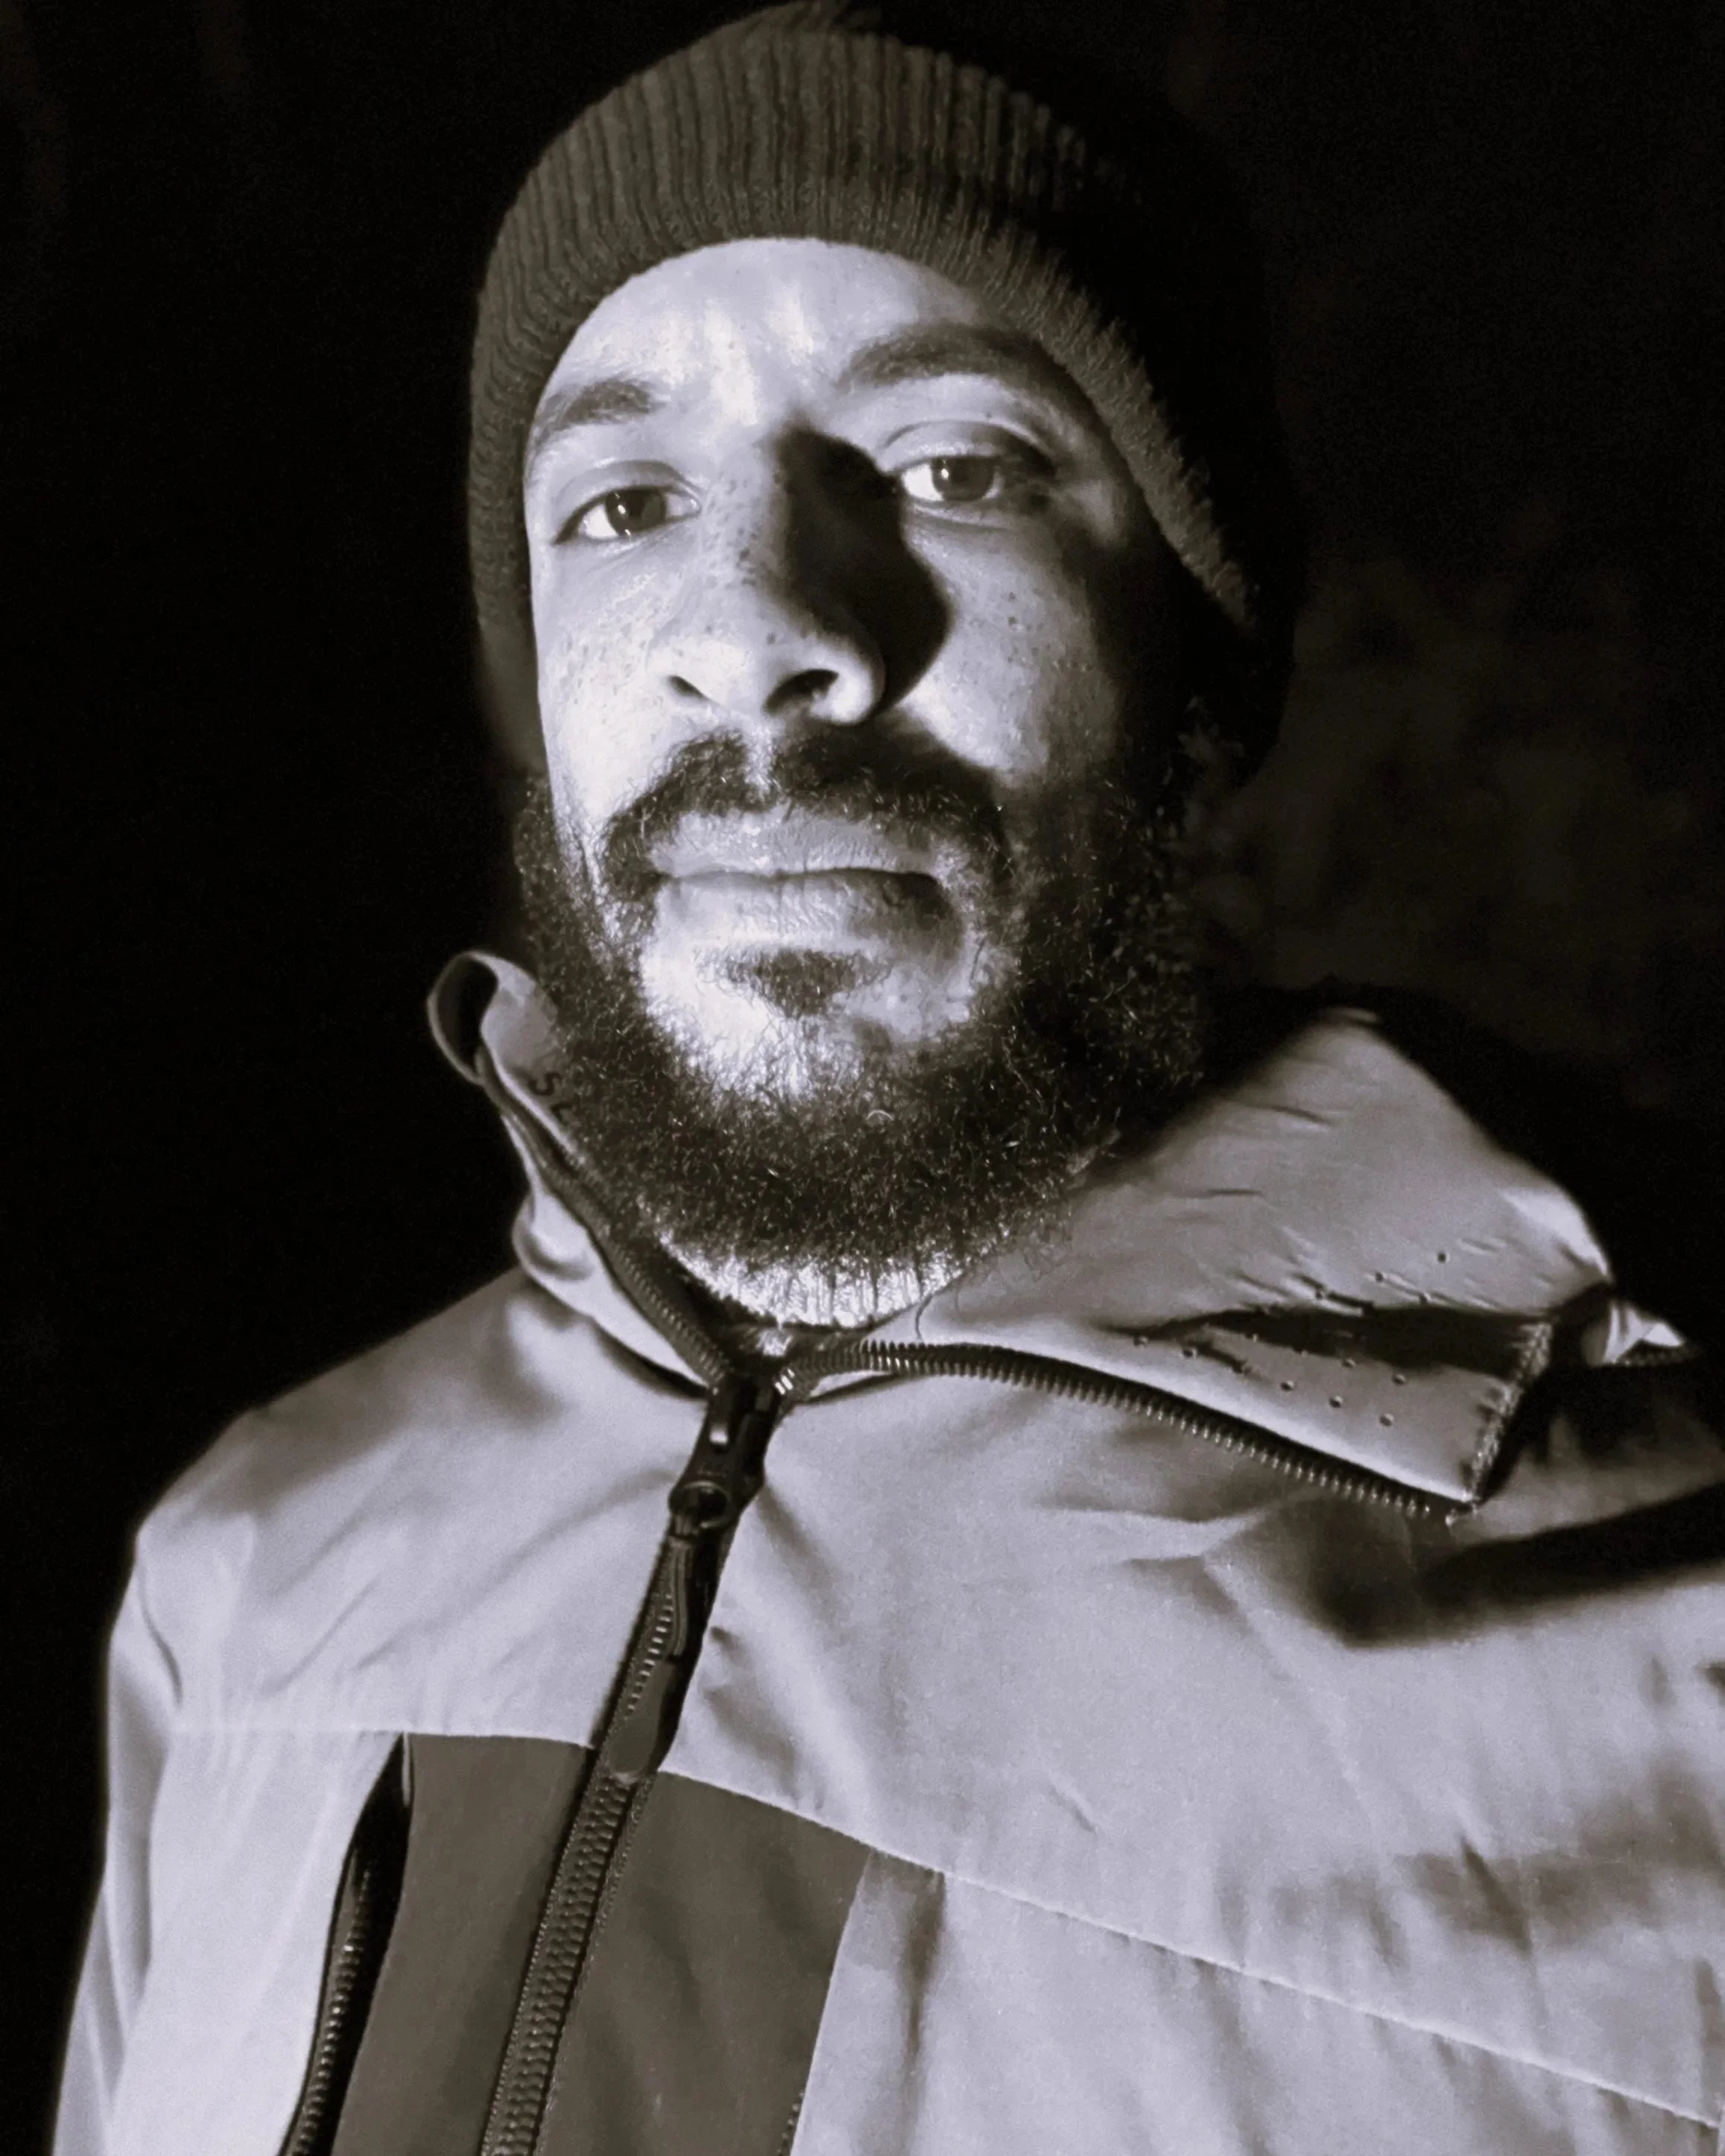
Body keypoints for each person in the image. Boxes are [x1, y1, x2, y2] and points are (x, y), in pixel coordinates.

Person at [54, 6, 1725, 2152]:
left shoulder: (1665, 1638)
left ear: (1194, 664)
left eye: (954, 467)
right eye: (623, 498)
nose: (748, 622)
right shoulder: (248, 1572)